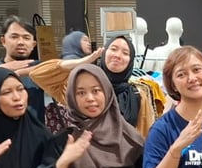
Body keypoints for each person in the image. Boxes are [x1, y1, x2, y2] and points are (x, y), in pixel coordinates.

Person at [31, 35, 164, 138]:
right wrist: (82, 61)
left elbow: (144, 135)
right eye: (113, 49)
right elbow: (37, 74)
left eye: (125, 53)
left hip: (125, 162)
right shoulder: (80, 89)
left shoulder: (137, 94)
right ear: (104, 53)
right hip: (85, 159)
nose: (118, 55)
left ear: (131, 60)